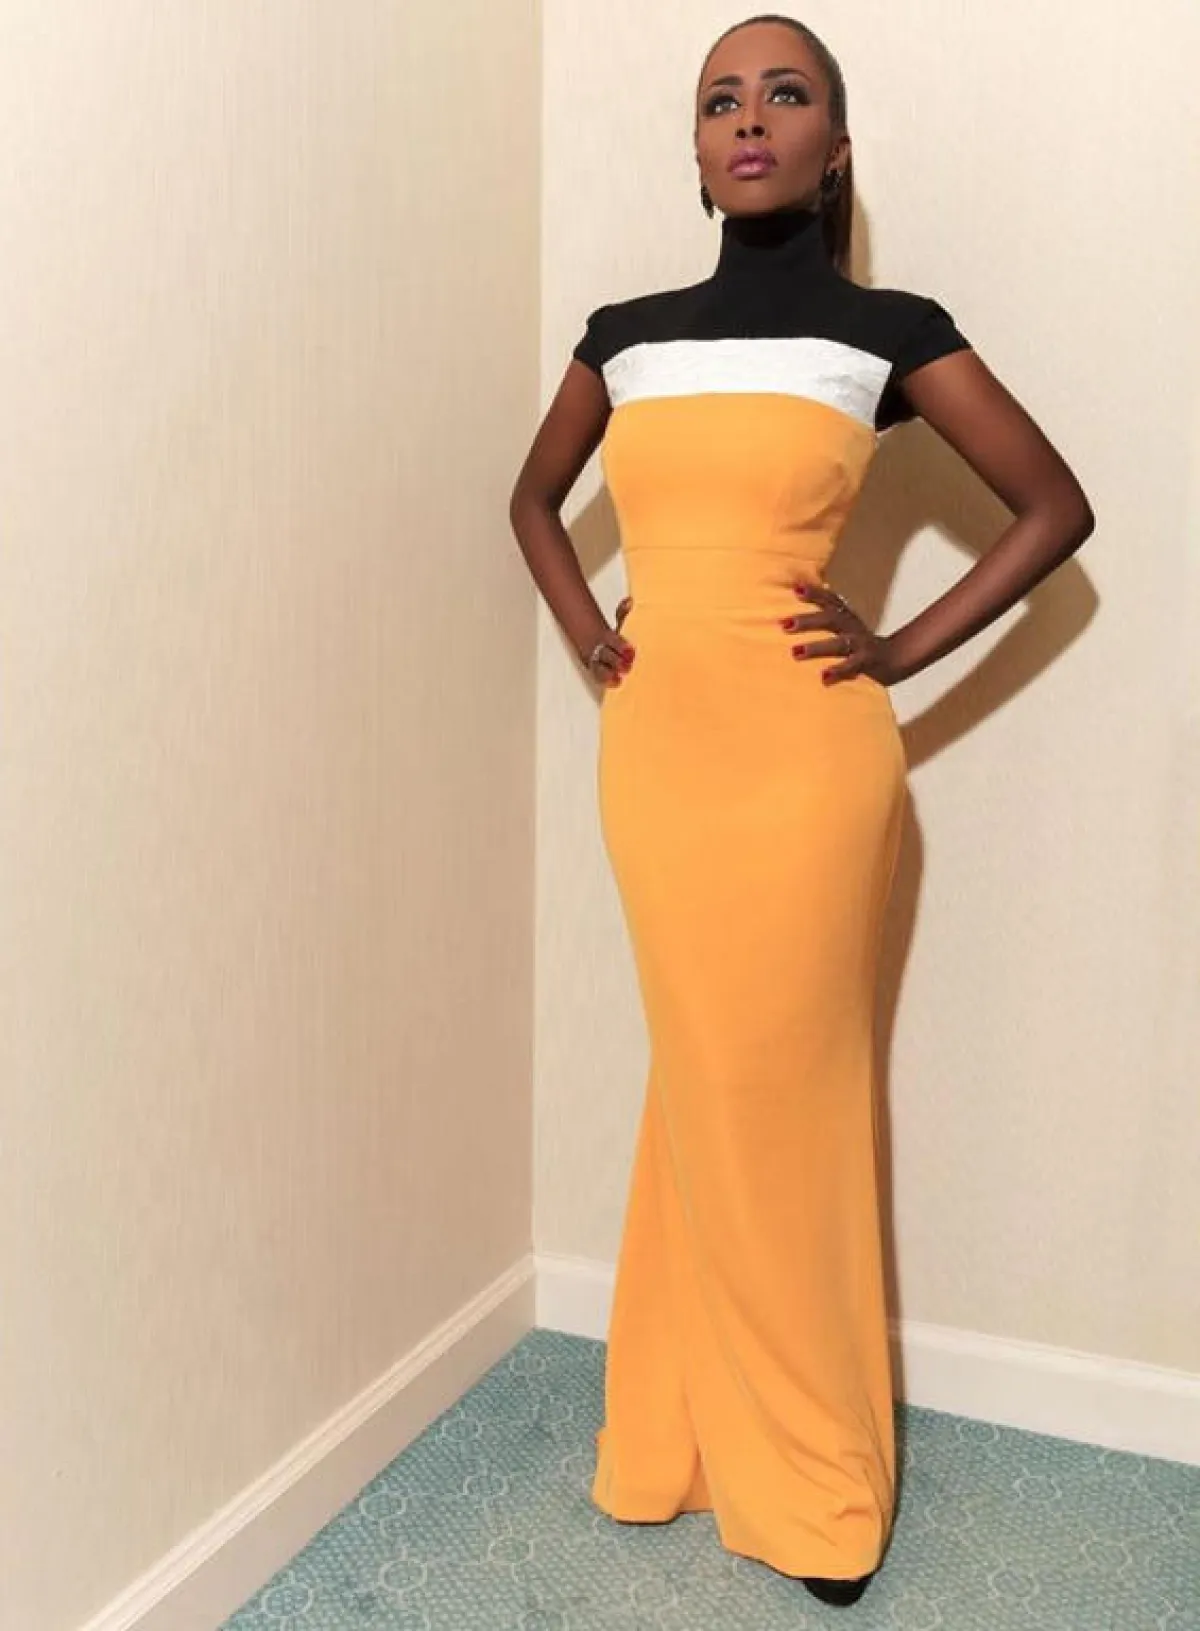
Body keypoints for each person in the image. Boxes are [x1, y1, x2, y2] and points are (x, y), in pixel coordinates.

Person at [509, 11, 1094, 1610]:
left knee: (792, 1094)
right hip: (660, 755)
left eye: (786, 94)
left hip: (809, 766)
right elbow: (530, 498)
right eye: (721, 100)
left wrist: (897, 647)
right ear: (697, 151)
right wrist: (589, 628)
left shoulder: (889, 332)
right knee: (702, 1074)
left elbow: (1054, 504)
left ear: (837, 149)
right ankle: (675, 1426)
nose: (750, 118)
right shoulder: (625, 335)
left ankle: (819, 1474)